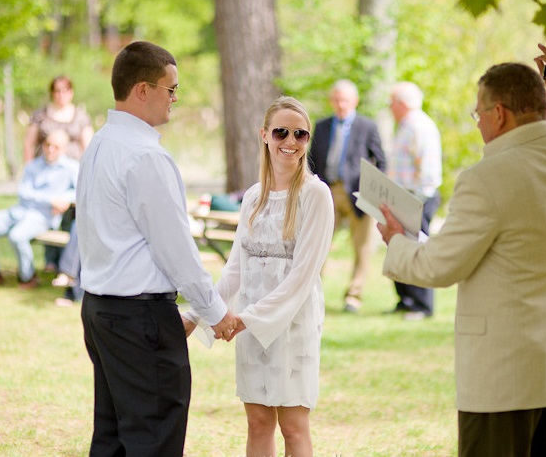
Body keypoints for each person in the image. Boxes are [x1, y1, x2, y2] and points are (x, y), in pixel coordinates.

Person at [376, 41, 546, 456]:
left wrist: (397, 239)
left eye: (478, 114)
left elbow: (438, 267)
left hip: (506, 376)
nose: (478, 124)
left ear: (499, 114)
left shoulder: (486, 178)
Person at [76, 40, 237, 457]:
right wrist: (214, 312)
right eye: (171, 89)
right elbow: (176, 250)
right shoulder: (144, 156)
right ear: (142, 89)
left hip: (101, 310)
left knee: (112, 438)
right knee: (153, 440)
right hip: (139, 317)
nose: (175, 100)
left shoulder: (99, 144)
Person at [185, 96, 334, 457]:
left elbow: (302, 277)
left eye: (301, 135)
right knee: (258, 423)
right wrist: (195, 315)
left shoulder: (315, 195)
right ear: (264, 135)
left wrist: (245, 320)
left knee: (294, 427)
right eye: (281, 132)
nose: (290, 141)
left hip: (291, 323)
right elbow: (235, 268)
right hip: (249, 325)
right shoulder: (253, 198)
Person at [308, 79, 386, 313]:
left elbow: (381, 161)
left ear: (355, 101)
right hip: (327, 191)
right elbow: (311, 161)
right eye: (337, 99)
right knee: (317, 244)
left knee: (361, 247)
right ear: (332, 101)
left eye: (345, 100)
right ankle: (312, 292)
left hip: (358, 194)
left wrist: (373, 192)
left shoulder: (367, 126)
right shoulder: (321, 126)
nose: (341, 104)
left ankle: (354, 295)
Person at [0, 129, 78, 289]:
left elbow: (81, 192)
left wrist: (64, 200)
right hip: (18, 211)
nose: (50, 149)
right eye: (48, 144)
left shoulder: (72, 168)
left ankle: (28, 277)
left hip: (42, 217)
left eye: (56, 146)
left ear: (64, 148)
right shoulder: (33, 165)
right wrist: (50, 199)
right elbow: (23, 192)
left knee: (17, 236)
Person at [23, 75, 94, 273]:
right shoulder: (41, 115)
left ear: (71, 92)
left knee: (69, 217)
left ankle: (68, 264)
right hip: (47, 173)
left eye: (65, 90)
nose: (61, 95)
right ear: (52, 92)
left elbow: (87, 146)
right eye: (57, 90)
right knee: (48, 211)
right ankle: (50, 261)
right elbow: (29, 143)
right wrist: (30, 173)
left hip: (72, 174)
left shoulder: (80, 116)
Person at [387, 81, 442, 320]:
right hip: (403, 196)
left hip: (417, 198)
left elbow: (427, 170)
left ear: (402, 104)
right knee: (400, 246)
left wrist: (414, 201)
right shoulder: (406, 125)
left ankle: (422, 305)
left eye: (392, 103)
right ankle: (406, 299)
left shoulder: (420, 126)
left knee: (418, 249)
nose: (390, 108)